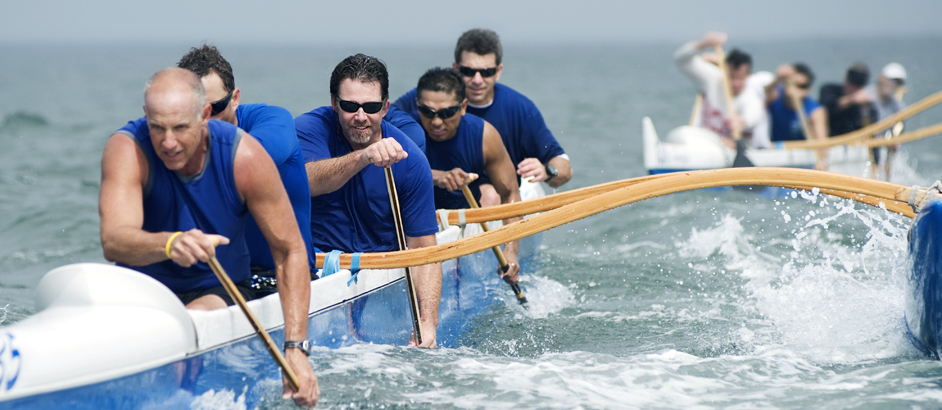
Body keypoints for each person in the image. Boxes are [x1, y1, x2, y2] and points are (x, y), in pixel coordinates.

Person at [99, 68, 318, 406]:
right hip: (146, 290)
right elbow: (114, 241)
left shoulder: (244, 157)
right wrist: (170, 244)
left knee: (188, 325)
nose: (168, 142)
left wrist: (296, 349)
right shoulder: (127, 149)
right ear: (145, 117)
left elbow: (289, 252)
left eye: (180, 128)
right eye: (157, 128)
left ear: (204, 116)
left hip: (219, 287)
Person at [295, 54, 441, 348]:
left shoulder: (411, 161)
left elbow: (424, 252)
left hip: (378, 272)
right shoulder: (310, 129)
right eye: (349, 106)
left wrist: (426, 323)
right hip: (319, 268)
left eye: (371, 107)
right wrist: (363, 157)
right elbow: (306, 180)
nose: (360, 116)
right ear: (334, 103)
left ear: (386, 107)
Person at [175, 44, 317, 279]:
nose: (206, 121)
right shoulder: (174, 139)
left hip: (283, 276)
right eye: (194, 112)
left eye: (214, 108)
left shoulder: (273, 119)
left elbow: (256, 156)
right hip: (219, 278)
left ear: (235, 98)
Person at [394, 29, 572, 206]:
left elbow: (564, 167)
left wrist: (548, 171)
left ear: (498, 71)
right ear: (455, 69)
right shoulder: (429, 97)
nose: (477, 80)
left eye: (486, 72)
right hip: (434, 194)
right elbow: (379, 122)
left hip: (494, 193)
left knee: (489, 194)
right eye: (468, 71)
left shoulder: (520, 109)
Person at [415, 67, 523, 283]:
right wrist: (437, 176)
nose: (436, 122)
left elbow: (510, 193)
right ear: (417, 106)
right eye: (427, 112)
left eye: (446, 113)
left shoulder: (484, 136)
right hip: (416, 222)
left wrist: (510, 252)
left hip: (462, 214)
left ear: (463, 107)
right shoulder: (404, 132)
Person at [674, 31, 769, 149]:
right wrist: (702, 44)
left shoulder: (751, 97)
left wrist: (742, 121)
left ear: (748, 76)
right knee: (683, 133)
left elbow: (754, 114)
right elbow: (682, 61)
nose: (734, 83)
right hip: (708, 143)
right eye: (730, 77)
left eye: (739, 78)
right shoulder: (712, 78)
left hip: (737, 149)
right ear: (724, 70)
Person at [764, 63, 829, 168]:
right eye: (793, 84)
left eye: (802, 86)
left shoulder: (815, 111)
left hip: (801, 159)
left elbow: (821, 143)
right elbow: (763, 92)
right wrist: (778, 79)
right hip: (774, 156)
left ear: (808, 89)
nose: (796, 90)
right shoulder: (775, 97)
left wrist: (822, 162)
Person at [867, 63, 908, 179]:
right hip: (865, 140)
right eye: (891, 81)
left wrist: (896, 138)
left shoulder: (898, 106)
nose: (893, 85)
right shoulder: (867, 96)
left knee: (892, 142)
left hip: (883, 141)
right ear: (882, 78)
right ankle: (876, 173)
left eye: (898, 83)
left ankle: (886, 175)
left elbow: (900, 124)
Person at [819, 63, 878, 137]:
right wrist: (852, 99)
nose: (854, 88)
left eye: (858, 85)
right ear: (846, 78)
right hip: (830, 140)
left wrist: (865, 109)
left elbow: (871, 128)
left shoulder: (865, 104)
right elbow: (827, 107)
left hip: (853, 144)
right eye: (852, 83)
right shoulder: (829, 90)